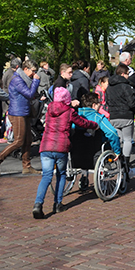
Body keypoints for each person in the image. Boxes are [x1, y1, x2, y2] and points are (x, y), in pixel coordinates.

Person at [33, 87, 98, 219]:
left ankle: (38, 204)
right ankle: (57, 204)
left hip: (46, 146)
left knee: (46, 176)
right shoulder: (69, 111)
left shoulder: (49, 109)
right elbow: (82, 123)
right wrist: (94, 125)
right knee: (61, 175)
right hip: (60, 146)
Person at [0, 60, 41, 176]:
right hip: (17, 113)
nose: (34, 74)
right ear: (25, 69)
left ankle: (26, 166)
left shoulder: (25, 79)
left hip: (24, 112)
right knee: (19, 141)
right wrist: (36, 82)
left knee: (28, 140)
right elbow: (29, 94)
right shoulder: (17, 80)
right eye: (33, 71)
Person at [106, 64, 135, 165]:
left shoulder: (109, 87)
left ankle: (117, 158)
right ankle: (126, 161)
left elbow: (107, 101)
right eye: (128, 74)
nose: (129, 76)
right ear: (123, 74)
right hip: (126, 115)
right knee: (128, 140)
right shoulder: (126, 86)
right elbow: (132, 102)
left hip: (114, 115)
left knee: (118, 139)